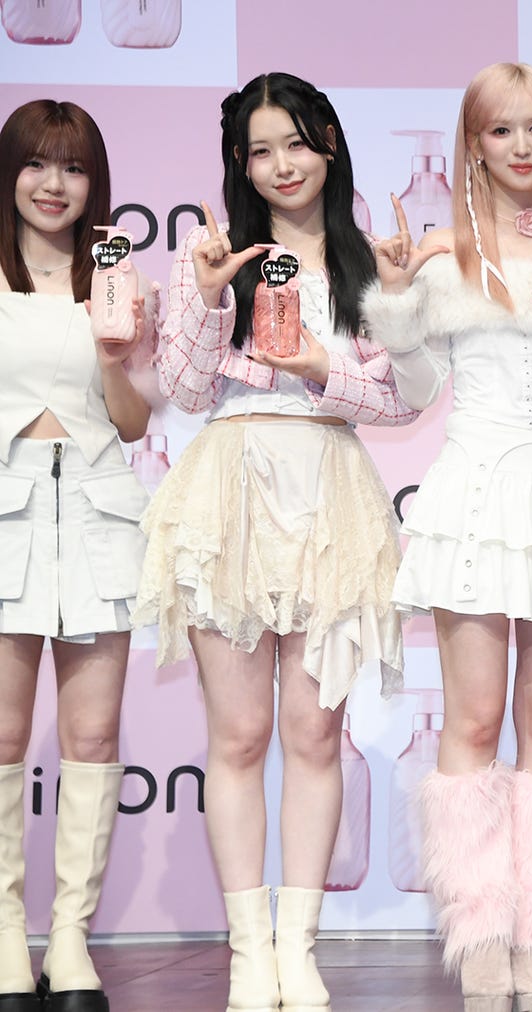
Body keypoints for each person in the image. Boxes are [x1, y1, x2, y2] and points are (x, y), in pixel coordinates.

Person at [135, 72, 417, 1012]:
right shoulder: (215, 254)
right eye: (260, 151)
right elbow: (183, 388)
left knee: (314, 731)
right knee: (241, 733)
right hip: (232, 492)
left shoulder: (369, 263)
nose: (282, 165)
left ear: (329, 142)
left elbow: (401, 400)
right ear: (240, 163)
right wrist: (211, 299)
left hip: (330, 493)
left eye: (295, 143)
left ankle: (299, 947)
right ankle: (247, 951)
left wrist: (322, 364)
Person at [362, 61, 532, 1012]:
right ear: (472, 143)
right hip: (474, 496)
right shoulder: (439, 253)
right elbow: (418, 390)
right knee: (471, 723)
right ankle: (478, 935)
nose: (521, 147)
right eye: (501, 129)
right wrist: (396, 305)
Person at [0, 98, 153, 1012]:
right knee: (4, 735)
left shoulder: (118, 280)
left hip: (98, 514)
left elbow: (133, 423)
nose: (53, 184)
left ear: (95, 183)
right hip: (6, 513)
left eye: (74, 167)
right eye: (36, 163)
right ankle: (3, 933)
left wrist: (110, 351)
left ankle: (68, 937)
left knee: (92, 736)